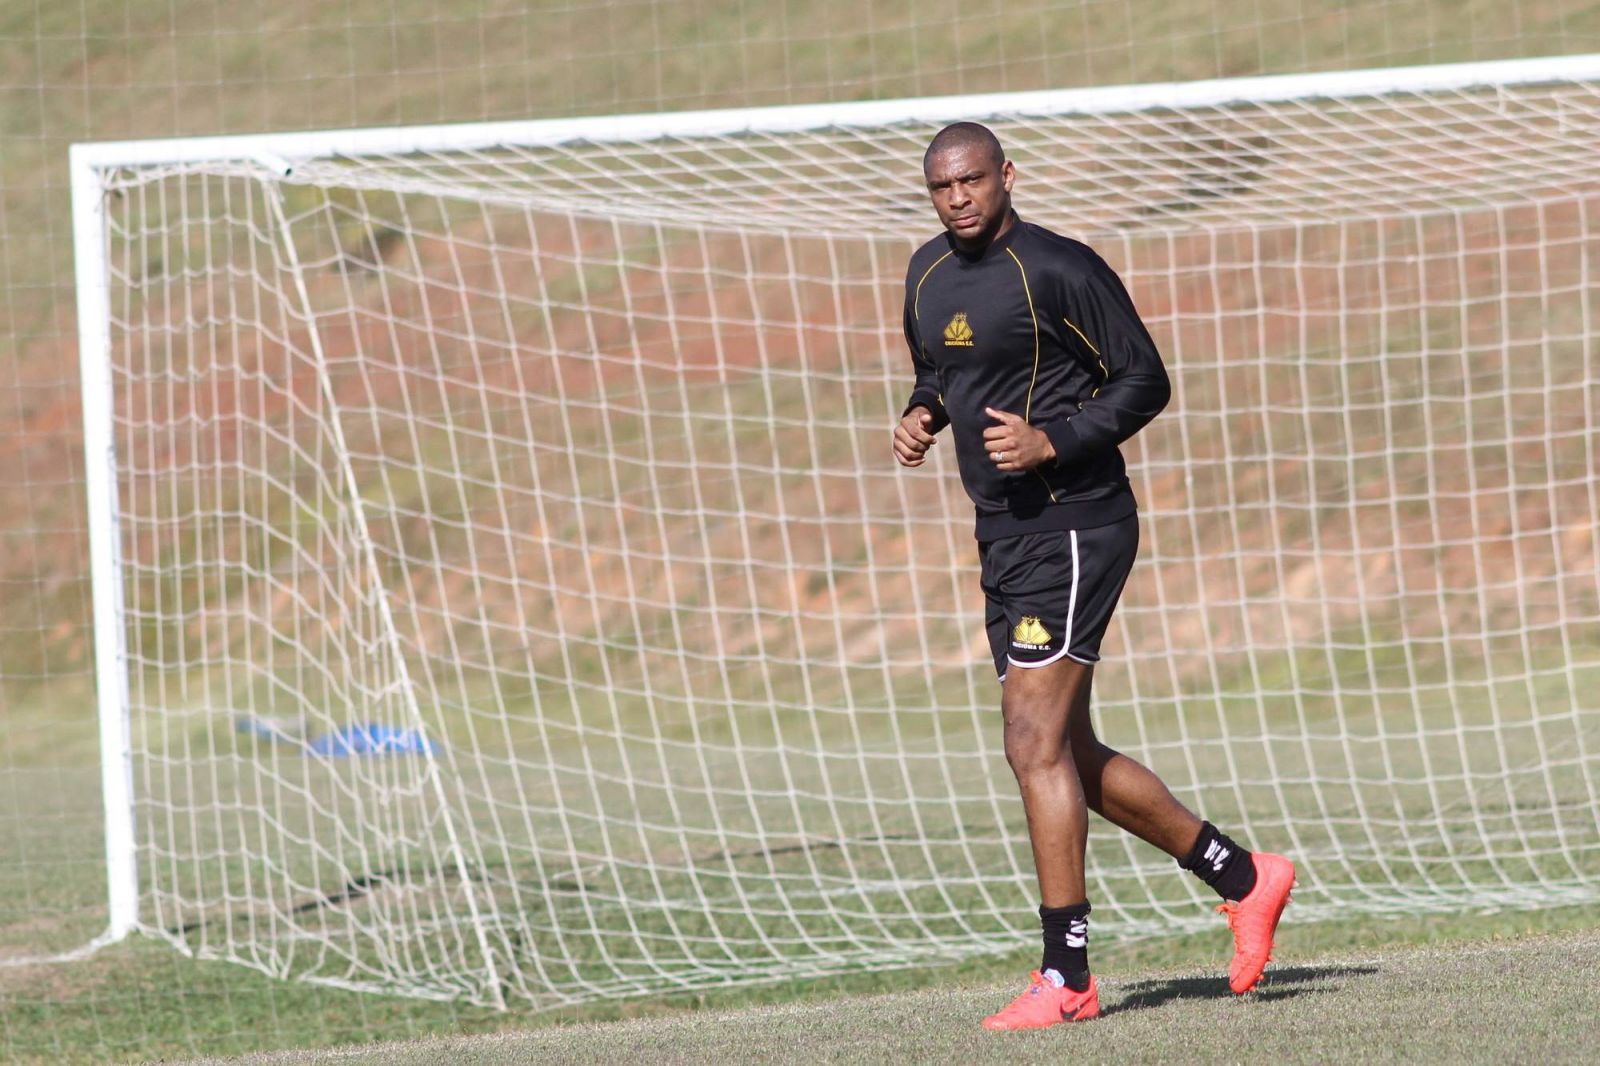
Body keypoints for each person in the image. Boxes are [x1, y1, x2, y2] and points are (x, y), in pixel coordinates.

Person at [892, 122, 1295, 1031]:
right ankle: (1245, 877)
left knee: (1030, 743)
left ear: (1006, 175)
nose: (958, 198)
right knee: (1064, 751)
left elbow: (1144, 380)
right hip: (1002, 533)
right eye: (942, 187)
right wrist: (921, 413)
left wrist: (1053, 441)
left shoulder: (1060, 268)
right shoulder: (925, 274)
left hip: (1076, 524)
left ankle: (1066, 976)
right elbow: (940, 371)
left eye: (972, 180)